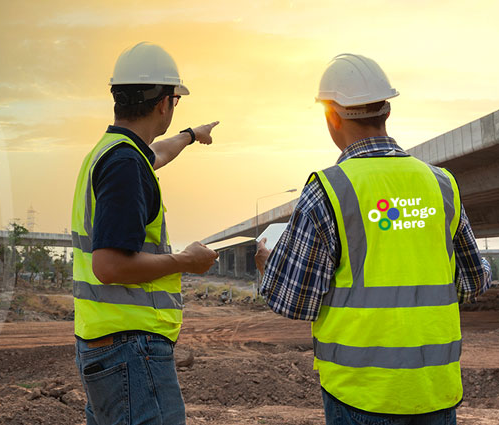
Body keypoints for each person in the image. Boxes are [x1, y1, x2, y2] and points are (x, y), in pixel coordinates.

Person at [255, 53, 493, 425]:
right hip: (435, 389)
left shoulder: (329, 190)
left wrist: (268, 265)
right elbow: (474, 281)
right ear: (386, 111)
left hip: (362, 393)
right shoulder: (441, 184)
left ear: (331, 117)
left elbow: (295, 301)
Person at [70, 42, 219, 424]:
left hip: (106, 342)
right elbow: (109, 265)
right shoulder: (124, 164)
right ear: (164, 103)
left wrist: (189, 134)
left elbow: (158, 154)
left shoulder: (115, 152)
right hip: (131, 348)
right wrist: (187, 261)